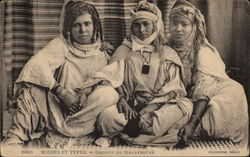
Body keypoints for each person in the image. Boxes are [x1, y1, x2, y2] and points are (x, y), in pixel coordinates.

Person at [2, 0, 117, 148]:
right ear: (69, 28)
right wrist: (61, 92)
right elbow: (36, 64)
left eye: (87, 24)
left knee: (109, 94)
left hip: (84, 113)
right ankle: (15, 137)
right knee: (31, 89)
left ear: (94, 25)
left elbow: (106, 80)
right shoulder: (61, 45)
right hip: (58, 108)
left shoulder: (104, 53)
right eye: (77, 25)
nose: (83, 30)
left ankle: (67, 134)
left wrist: (86, 92)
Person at [89, 1, 193, 148]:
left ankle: (128, 133)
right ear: (131, 27)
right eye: (136, 25)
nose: (141, 29)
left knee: (186, 106)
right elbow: (108, 82)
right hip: (129, 108)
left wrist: (151, 108)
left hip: (157, 107)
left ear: (155, 26)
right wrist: (122, 101)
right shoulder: (123, 51)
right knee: (106, 117)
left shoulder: (167, 53)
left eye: (146, 24)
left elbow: (174, 89)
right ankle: (155, 134)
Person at [168, 0, 248, 148]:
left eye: (184, 24)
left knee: (230, 98)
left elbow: (205, 89)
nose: (178, 29)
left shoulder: (202, 51)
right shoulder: (167, 46)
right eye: (174, 23)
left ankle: (193, 128)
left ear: (193, 27)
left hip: (211, 92)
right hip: (187, 94)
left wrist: (192, 123)